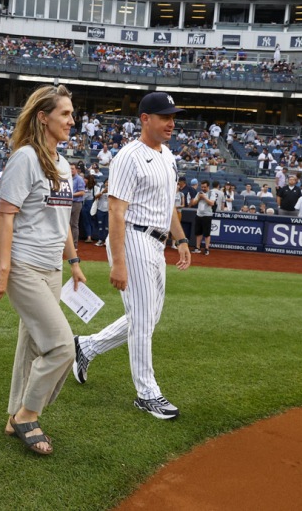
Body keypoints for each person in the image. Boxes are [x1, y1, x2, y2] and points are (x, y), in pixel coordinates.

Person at [72, 92, 192, 420]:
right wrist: (119, 261)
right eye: (164, 116)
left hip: (156, 241)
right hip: (133, 236)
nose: (171, 123)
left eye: (173, 117)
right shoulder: (129, 156)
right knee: (142, 319)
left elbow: (168, 206)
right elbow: (116, 209)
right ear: (145, 119)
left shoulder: (167, 155)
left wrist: (181, 239)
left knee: (148, 317)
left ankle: (86, 347)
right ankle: (147, 392)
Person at [0, 84, 85, 455]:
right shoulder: (25, 159)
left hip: (52, 269)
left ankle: (14, 414)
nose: (72, 121)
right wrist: (3, 269)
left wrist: (73, 262)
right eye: (65, 114)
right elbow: (6, 216)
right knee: (61, 347)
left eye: (72, 114)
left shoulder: (62, 163)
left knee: (29, 346)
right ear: (43, 117)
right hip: (25, 267)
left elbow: (61, 223)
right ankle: (29, 414)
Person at [191, 179, 216, 255]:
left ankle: (206, 248)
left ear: (208, 186)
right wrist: (199, 198)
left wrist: (204, 197)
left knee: (207, 233)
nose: (203, 188)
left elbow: (212, 203)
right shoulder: (199, 193)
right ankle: (197, 247)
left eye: (204, 187)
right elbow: (193, 203)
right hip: (199, 214)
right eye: (202, 187)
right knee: (198, 232)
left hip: (207, 215)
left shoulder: (212, 193)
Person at [69, 162, 85, 247]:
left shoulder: (79, 179)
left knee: (74, 224)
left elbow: (82, 192)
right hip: (68, 203)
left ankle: (74, 245)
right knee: (66, 224)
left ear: (76, 170)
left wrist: (70, 194)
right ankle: (67, 245)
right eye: (70, 168)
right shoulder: (67, 178)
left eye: (72, 168)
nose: (71, 170)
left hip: (76, 203)